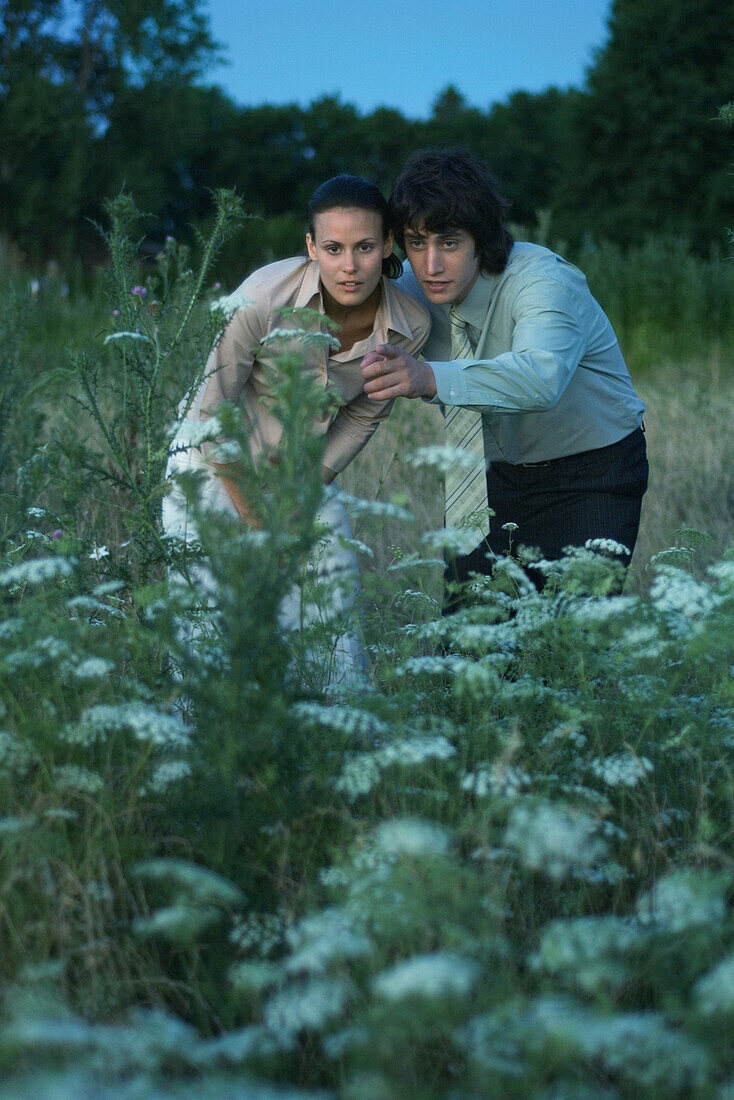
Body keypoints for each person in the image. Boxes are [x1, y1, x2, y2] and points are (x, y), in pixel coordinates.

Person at [164, 174, 430, 685]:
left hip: (298, 475)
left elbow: (364, 414)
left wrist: (300, 496)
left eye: (365, 247)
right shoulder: (263, 297)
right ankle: (200, 742)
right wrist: (260, 521)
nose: (349, 266)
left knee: (331, 608)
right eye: (333, 248)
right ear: (311, 247)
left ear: (388, 245)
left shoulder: (411, 323)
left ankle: (341, 739)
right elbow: (208, 413)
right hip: (209, 461)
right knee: (207, 622)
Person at [361, 148, 648, 601]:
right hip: (491, 480)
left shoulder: (543, 279)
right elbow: (333, 291)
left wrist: (429, 377)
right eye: (417, 243)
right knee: (470, 651)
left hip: (592, 474)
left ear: (484, 239)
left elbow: (539, 378)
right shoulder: (409, 293)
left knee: (569, 651)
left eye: (449, 243)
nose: (431, 265)